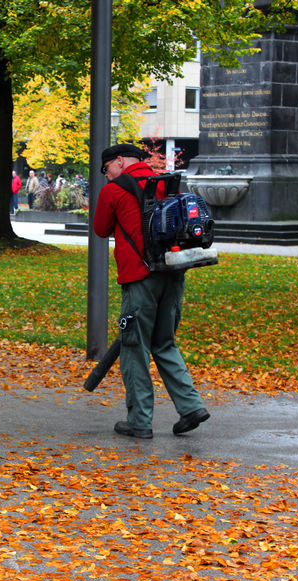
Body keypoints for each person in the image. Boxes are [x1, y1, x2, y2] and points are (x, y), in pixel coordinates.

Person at [92, 143, 209, 439]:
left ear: (119, 161)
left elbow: (101, 228)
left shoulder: (113, 191)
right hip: (173, 272)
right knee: (164, 342)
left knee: (133, 347)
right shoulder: (166, 183)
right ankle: (191, 407)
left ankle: (139, 421)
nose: (106, 176)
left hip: (138, 278)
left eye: (106, 170)